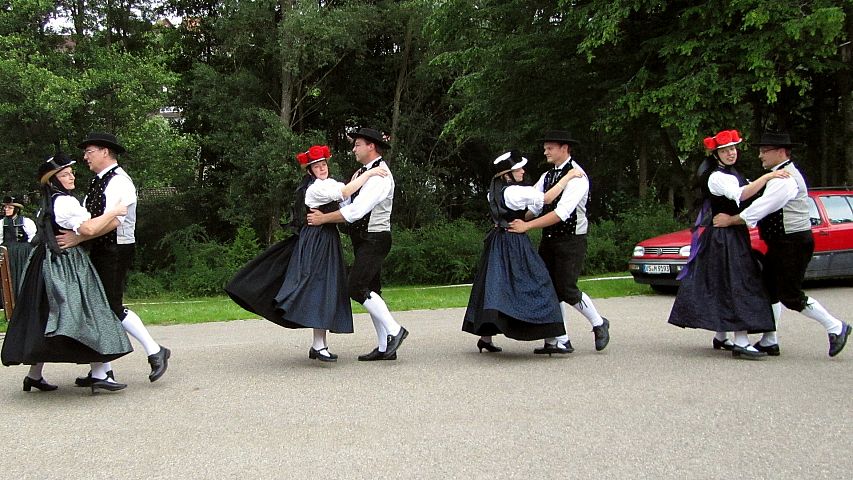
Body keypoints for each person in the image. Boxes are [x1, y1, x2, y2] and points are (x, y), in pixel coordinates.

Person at [226, 145, 388, 362]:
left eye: (323, 164)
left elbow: (347, 198)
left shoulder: (330, 183)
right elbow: (345, 192)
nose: (322, 168)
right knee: (317, 286)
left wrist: (357, 179)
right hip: (316, 240)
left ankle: (318, 345)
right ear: (309, 171)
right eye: (316, 166)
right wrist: (368, 173)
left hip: (328, 239)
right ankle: (319, 345)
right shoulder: (314, 189)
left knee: (324, 287)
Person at [1, 151, 133, 393]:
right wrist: (114, 213)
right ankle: (100, 373)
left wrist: (104, 224)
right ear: (53, 180)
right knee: (85, 312)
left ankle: (35, 375)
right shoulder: (65, 202)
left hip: (43, 265)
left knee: (46, 318)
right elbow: (89, 227)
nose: (71, 176)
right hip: (64, 266)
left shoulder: (50, 202)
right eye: (65, 174)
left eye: (71, 172)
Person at [713, 132, 850, 357]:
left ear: (780, 152)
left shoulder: (785, 179)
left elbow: (761, 208)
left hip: (793, 243)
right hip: (782, 243)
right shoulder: (776, 175)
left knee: (790, 294)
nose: (760, 156)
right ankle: (769, 339)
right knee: (768, 290)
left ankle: (836, 327)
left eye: (764, 151)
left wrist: (731, 220)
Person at [56, 132, 170, 384]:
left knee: (111, 307)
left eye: (90, 151)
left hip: (115, 250)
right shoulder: (98, 182)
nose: (85, 157)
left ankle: (154, 350)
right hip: (100, 248)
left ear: (105, 152)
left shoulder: (120, 181)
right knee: (99, 308)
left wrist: (78, 238)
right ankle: (101, 371)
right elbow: (89, 219)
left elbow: (114, 221)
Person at [668, 129, 788, 359]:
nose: (731, 153)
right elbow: (741, 195)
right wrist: (767, 177)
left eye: (733, 148)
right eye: (725, 150)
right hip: (724, 237)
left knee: (726, 283)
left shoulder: (733, 173)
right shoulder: (717, 177)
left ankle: (722, 336)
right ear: (717, 154)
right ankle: (740, 341)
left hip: (732, 234)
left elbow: (749, 193)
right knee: (737, 284)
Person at [463, 151, 583, 352]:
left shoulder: (494, 191)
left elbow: (513, 213)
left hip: (497, 241)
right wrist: (568, 176)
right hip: (514, 243)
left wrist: (523, 219)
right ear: (506, 174)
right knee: (540, 283)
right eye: (518, 169)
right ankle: (556, 339)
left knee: (494, 286)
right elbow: (546, 198)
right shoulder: (515, 192)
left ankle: (485, 338)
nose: (522, 171)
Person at [306, 127, 408, 361]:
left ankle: (395, 331)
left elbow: (355, 211)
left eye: (357, 144)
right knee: (372, 290)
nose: (354, 149)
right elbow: (347, 203)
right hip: (365, 239)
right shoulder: (364, 173)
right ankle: (384, 348)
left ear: (371, 146)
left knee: (356, 287)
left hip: (375, 238)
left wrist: (323, 218)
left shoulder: (380, 175)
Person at [508, 130, 611, 354]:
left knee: (565, 288)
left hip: (571, 239)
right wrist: (510, 220)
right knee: (547, 288)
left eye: (550, 147)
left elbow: (561, 213)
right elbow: (535, 206)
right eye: (545, 147)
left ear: (564, 148)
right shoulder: (547, 177)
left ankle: (598, 323)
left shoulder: (578, 177)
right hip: (550, 239)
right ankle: (558, 339)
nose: (545, 151)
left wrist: (526, 227)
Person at [1, 195, 37, 303]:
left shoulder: (26, 221)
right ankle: (9, 302)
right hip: (8, 253)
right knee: (9, 276)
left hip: (23, 253)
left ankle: (25, 300)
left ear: (16, 209)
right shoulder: (2, 223)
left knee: (23, 274)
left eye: (10, 207)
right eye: (5, 207)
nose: (6, 209)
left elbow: (32, 237)